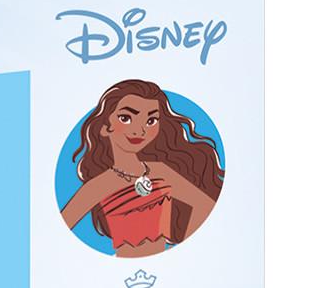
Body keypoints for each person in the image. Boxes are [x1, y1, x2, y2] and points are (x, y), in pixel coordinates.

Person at [58, 79, 224, 255]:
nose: (140, 130)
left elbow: (205, 205)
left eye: (151, 121)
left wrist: (183, 249)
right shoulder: (100, 184)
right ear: (105, 127)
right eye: (126, 118)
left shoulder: (160, 171)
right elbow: (59, 227)